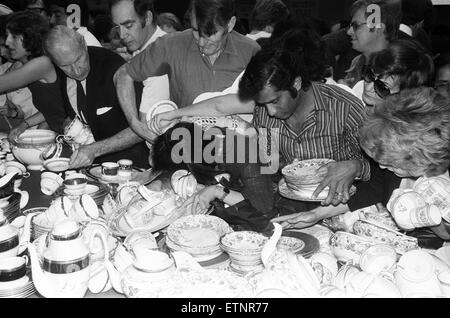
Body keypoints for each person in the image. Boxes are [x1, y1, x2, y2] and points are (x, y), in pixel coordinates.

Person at [155, 28, 371, 207]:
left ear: (296, 83)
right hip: (290, 205)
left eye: (275, 101)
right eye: (262, 104)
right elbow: (269, 165)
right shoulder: (265, 114)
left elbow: (380, 168)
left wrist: (355, 166)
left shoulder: (344, 108)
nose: (270, 112)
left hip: (342, 207)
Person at [272, 39, 435, 230]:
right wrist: (314, 215)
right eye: (368, 75)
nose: (368, 87)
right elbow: (376, 184)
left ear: (406, 97)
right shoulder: (370, 113)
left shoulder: (423, 139)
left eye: (382, 88)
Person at [113, 0, 260, 144]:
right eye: (196, 31)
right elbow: (123, 74)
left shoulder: (251, 52)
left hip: (238, 153)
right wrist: (136, 125)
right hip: (186, 153)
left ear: (230, 24)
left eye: (210, 33)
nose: (201, 42)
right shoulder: (171, 45)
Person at [43, 26, 149, 169]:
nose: (75, 70)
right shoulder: (62, 70)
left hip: (132, 166)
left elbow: (143, 128)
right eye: (65, 66)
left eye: (78, 59)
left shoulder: (115, 68)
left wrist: (95, 149)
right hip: (93, 167)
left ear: (85, 45)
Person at [0, 11, 69, 140]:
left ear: (29, 37)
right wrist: (25, 124)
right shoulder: (36, 62)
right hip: (62, 134)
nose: (8, 42)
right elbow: (53, 107)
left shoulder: (41, 63)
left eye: (13, 36)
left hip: (70, 136)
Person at [109, 0, 169, 117]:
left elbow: (147, 128)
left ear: (147, 18)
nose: (121, 35)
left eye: (128, 26)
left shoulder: (158, 58)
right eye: (117, 27)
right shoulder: (144, 45)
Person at [343, 0, 402, 89]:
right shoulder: (358, 61)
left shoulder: (397, 68)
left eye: (356, 26)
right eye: (350, 26)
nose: (349, 32)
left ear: (379, 29)